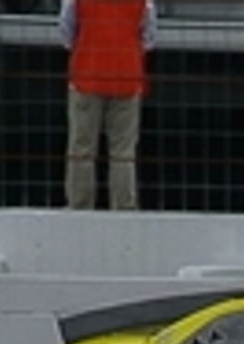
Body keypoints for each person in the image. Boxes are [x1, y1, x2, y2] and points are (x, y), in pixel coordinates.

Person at [59, 0, 157, 211]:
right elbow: (149, 37)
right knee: (123, 152)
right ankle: (124, 207)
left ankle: (79, 206)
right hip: (127, 76)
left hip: (86, 74)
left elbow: (66, 32)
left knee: (82, 148)